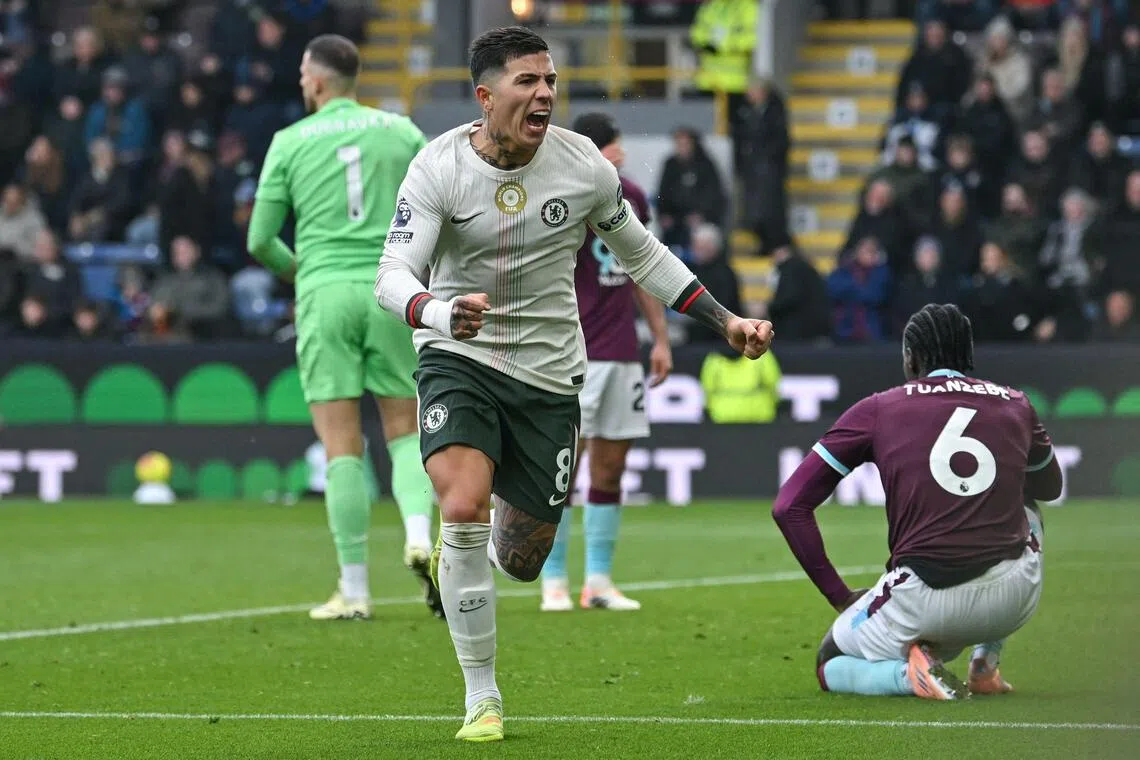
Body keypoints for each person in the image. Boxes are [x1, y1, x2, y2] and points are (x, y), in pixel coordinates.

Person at [373, 26, 773, 742]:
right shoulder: (436, 167)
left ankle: (471, 544)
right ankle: (482, 696)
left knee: (522, 560)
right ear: (485, 95)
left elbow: (643, 255)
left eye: (551, 81)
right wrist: (437, 311)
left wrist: (725, 321)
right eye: (527, 81)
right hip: (458, 354)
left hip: (550, 374)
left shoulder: (583, 165)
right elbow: (391, 276)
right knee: (461, 506)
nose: (545, 94)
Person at [247, 34, 442, 622]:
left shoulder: (289, 141)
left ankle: (354, 591)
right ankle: (418, 535)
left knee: (341, 445)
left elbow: (259, 240)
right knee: (404, 431)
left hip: (325, 292)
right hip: (391, 288)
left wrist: (305, 273)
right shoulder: (401, 131)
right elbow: (442, 205)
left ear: (315, 80)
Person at [773, 303, 1061, 700]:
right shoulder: (1016, 403)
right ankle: (986, 662)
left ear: (910, 358)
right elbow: (1050, 486)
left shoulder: (878, 409)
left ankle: (907, 678)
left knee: (829, 662)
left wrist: (839, 596)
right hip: (1012, 601)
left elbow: (789, 506)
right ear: (968, 355)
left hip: (924, 601)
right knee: (1028, 505)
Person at [538, 111, 673, 614]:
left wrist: (659, 339)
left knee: (610, 470)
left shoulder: (631, 197)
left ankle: (597, 581)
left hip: (620, 352)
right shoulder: (557, 195)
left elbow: (643, 268)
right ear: (593, 150)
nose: (623, 153)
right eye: (614, 145)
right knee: (560, 473)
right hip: (566, 352)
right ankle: (553, 581)